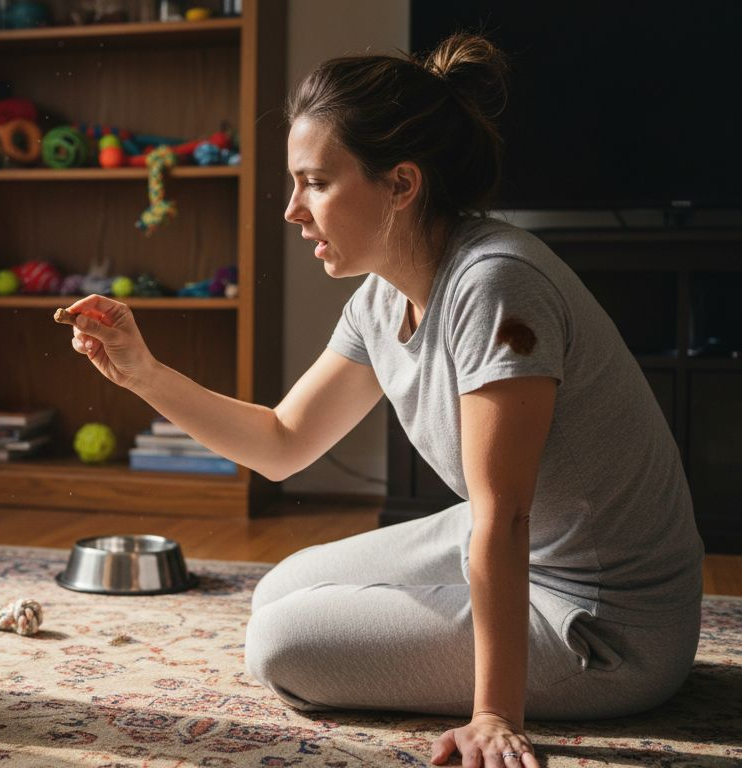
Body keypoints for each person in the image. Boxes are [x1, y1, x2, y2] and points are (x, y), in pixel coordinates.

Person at [56, 33, 703, 768]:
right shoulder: (381, 297)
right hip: (515, 545)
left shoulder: (495, 285)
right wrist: (142, 371)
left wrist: (493, 715)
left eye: (316, 183)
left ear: (401, 183)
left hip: (607, 622)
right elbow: (282, 442)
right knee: (282, 590)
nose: (293, 211)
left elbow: (506, 513)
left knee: (283, 643)